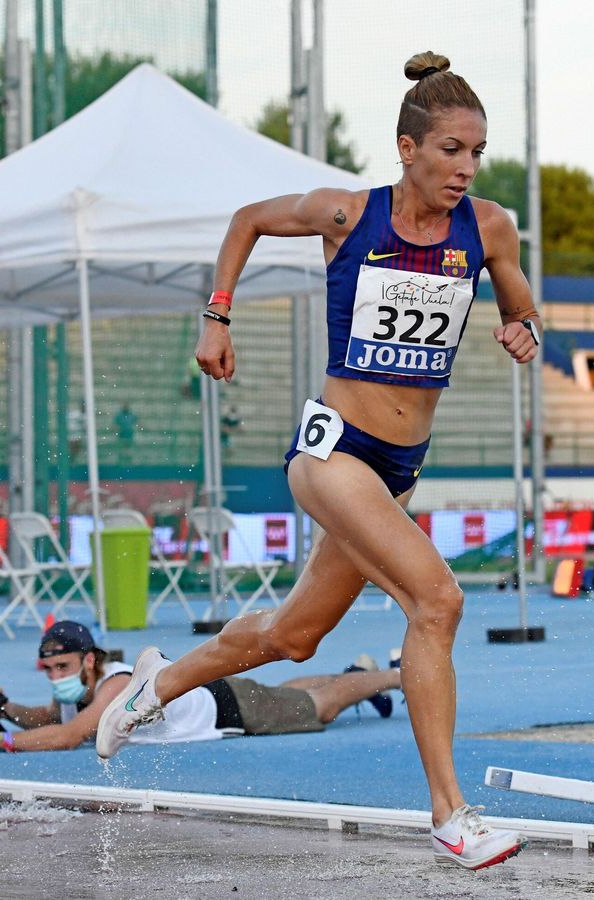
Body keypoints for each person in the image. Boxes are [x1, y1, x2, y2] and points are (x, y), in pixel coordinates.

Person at [92, 53, 540, 872]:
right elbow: (246, 220)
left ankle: (151, 689)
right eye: (450, 150)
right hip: (332, 449)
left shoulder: (490, 227)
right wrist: (216, 318)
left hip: (397, 468)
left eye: (477, 152)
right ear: (407, 149)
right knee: (437, 601)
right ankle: (450, 814)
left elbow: (520, 305)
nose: (466, 168)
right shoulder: (345, 214)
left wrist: (523, 329)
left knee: (295, 638)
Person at [0, 622, 403, 753]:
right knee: (290, 694)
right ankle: (355, 674)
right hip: (220, 696)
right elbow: (52, 719)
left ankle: (395, 676)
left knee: (317, 707)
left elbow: (71, 736)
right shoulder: (78, 684)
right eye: (48, 669)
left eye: (62, 667)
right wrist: (3, 706)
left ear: (90, 661)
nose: (56, 677)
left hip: (228, 711)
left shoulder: (115, 683)